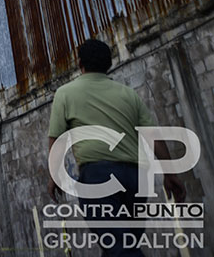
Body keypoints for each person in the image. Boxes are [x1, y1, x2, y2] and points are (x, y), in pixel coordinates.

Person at [47, 39, 186, 257]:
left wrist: (55, 176)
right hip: (136, 178)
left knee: (119, 247)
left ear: (79, 63)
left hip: (98, 177)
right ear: (108, 64)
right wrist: (170, 172)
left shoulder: (66, 93)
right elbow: (153, 135)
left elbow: (57, 140)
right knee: (121, 244)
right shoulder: (128, 94)